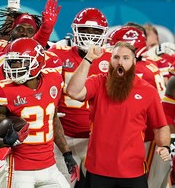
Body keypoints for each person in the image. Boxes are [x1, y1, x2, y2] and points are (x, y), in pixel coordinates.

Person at [67, 41, 171, 188]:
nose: (120, 62)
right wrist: (88, 59)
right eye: (115, 57)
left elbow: (160, 126)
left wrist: (164, 146)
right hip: (98, 170)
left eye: (125, 58)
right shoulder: (98, 82)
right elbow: (73, 91)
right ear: (110, 60)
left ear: (134, 62)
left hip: (133, 171)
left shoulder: (148, 91)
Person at [0, 37, 79, 187]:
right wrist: (4, 141)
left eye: (21, 62)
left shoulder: (53, 79)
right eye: (12, 62)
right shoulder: (3, 90)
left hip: (49, 166)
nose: (14, 67)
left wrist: (66, 153)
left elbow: (53, 118)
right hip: (20, 169)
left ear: (37, 61)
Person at [48, 7, 109, 188]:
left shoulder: (112, 58)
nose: (89, 36)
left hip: (94, 137)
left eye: (95, 31)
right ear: (75, 30)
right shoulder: (57, 52)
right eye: (84, 30)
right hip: (62, 136)